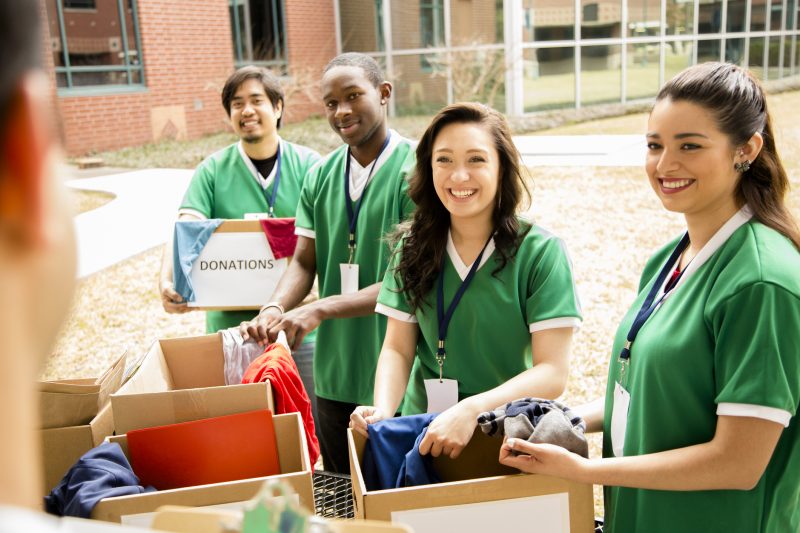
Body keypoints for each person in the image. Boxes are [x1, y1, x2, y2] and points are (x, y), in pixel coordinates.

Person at [499, 63, 800, 532]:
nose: (663, 166)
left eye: (690, 146)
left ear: (746, 150)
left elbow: (738, 463)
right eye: (655, 145)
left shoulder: (762, 283)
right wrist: (553, 419)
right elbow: (648, 397)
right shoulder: (670, 256)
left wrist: (584, 472)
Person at [349, 102, 581, 458]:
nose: (458, 176)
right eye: (444, 160)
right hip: (422, 434)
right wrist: (382, 410)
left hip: (505, 435)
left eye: (476, 159)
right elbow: (397, 348)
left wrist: (472, 409)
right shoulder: (411, 246)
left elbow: (552, 372)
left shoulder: (540, 252)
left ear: (502, 168)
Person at [240, 53, 416, 473]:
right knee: (341, 489)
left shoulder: (417, 170)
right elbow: (304, 260)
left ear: (384, 93)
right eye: (331, 103)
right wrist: (274, 306)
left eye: (354, 96)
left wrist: (319, 307)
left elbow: (408, 279)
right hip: (334, 372)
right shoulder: (320, 175)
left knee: (393, 492)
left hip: (394, 371)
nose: (342, 111)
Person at [158, 66, 321, 407]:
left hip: (298, 327)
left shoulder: (311, 167)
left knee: (308, 426)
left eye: (256, 101)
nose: (246, 110)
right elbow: (185, 227)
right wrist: (167, 279)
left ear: (277, 107)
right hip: (232, 334)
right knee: (244, 428)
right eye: (236, 103)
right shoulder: (213, 171)